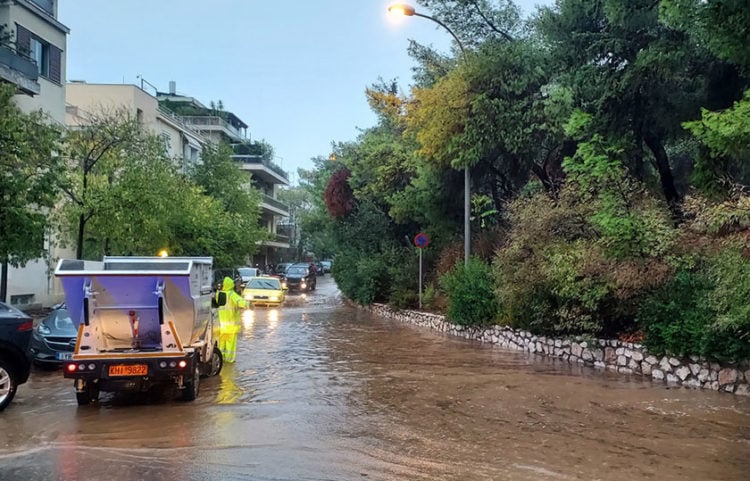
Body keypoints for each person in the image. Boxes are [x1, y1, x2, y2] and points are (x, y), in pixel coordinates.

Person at [216, 276, 249, 363]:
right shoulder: (232, 294)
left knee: (221, 344)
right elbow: (241, 303)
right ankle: (229, 361)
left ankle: (220, 360)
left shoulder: (219, 294)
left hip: (220, 326)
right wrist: (248, 304)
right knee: (230, 345)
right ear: (231, 285)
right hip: (231, 327)